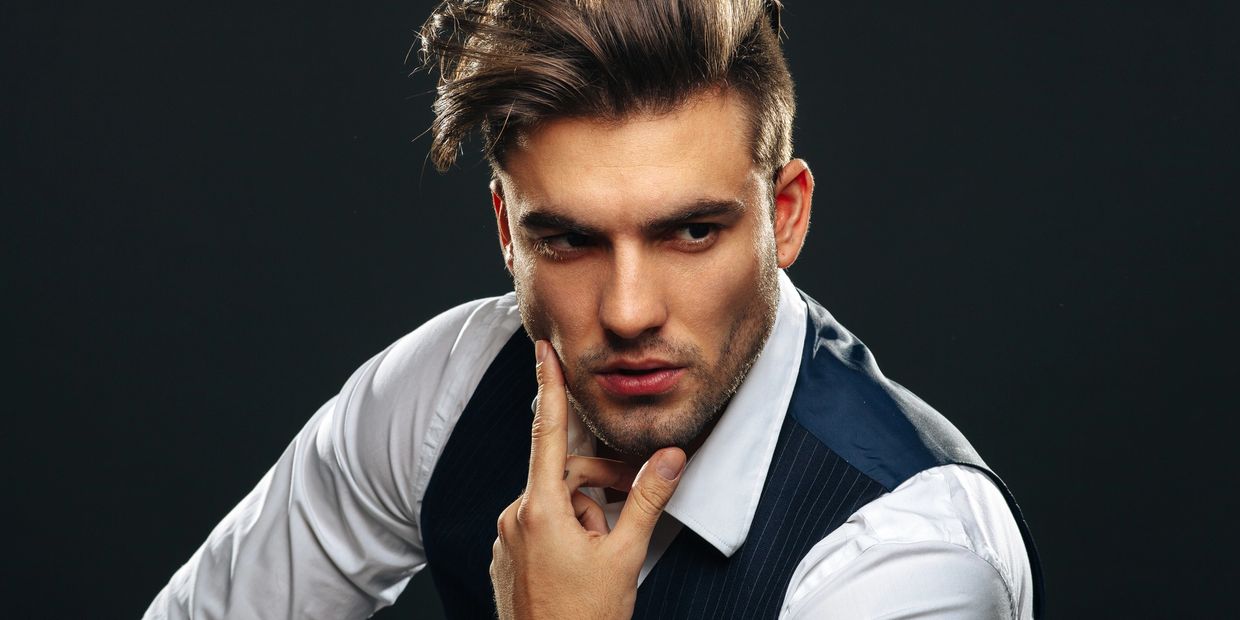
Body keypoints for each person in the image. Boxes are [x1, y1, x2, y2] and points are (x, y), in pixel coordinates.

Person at [145, 0, 1043, 618]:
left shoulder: (909, 556)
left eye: (691, 231)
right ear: (508, 232)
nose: (628, 311)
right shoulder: (443, 396)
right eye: (569, 240)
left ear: (786, 215)